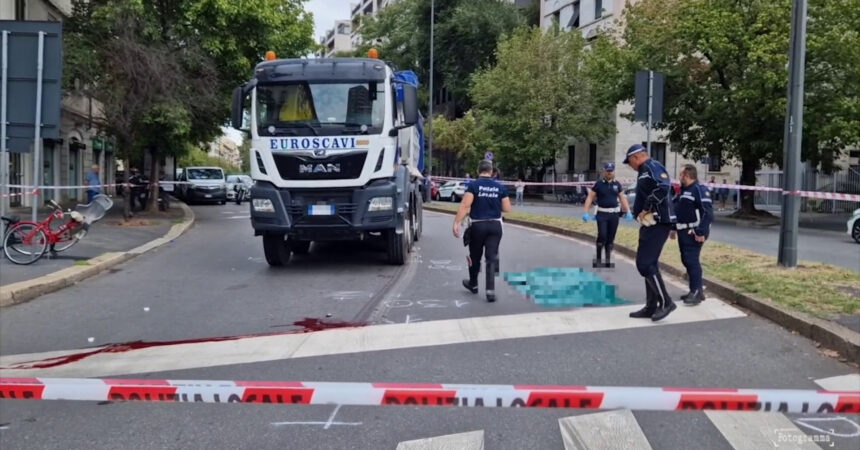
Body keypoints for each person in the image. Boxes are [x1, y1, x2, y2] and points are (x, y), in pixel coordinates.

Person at [624, 144, 677, 321]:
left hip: (658, 220)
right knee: (649, 264)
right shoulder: (644, 171)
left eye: (629, 162)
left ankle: (666, 302)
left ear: (636, 157)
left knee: (645, 264)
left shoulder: (652, 166)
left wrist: (647, 206)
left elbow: (664, 186)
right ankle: (651, 305)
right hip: (649, 222)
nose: (629, 166)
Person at [453, 160, 511, 302]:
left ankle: (473, 284)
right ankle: (490, 291)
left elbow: (465, 206)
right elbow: (507, 208)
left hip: (478, 225)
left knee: (475, 256)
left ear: (478, 171)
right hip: (495, 226)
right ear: (491, 171)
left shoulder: (473, 186)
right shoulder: (500, 187)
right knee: (491, 258)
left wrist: (456, 223)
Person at [671, 164, 713, 305]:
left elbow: (708, 213)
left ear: (687, 176)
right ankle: (694, 290)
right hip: (683, 230)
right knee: (686, 260)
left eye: (681, 174)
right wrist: (673, 228)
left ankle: (697, 292)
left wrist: (700, 231)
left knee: (691, 260)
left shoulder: (699, 190)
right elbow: (679, 209)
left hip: (694, 231)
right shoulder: (683, 190)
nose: (679, 176)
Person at [582, 162, 633, 268]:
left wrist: (628, 211)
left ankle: (608, 260)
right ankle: (599, 259)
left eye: (611, 170)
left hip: (614, 214)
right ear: (604, 171)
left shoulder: (617, 184)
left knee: (610, 238)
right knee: (602, 235)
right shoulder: (599, 184)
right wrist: (586, 212)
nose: (609, 172)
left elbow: (622, 198)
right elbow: (590, 197)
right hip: (602, 213)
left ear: (613, 171)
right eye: (608, 170)